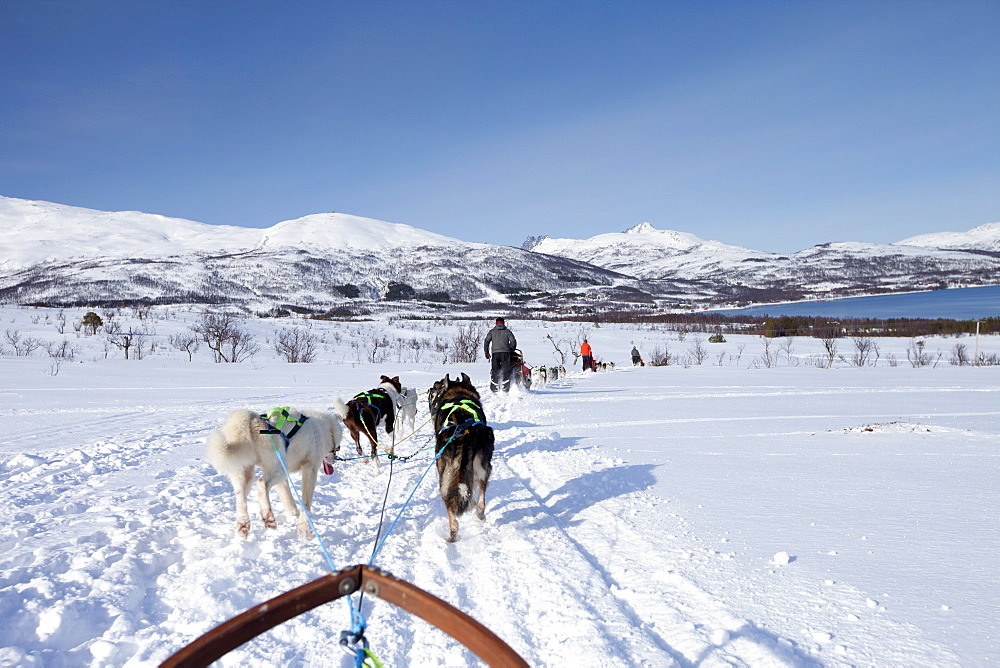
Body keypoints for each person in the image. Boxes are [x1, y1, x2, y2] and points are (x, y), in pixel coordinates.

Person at [483, 317, 517, 392]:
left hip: (495, 354)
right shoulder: (508, 332)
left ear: (496, 323)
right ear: (503, 323)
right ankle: (505, 388)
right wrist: (511, 349)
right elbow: (513, 341)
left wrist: (486, 353)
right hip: (505, 353)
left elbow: (486, 342)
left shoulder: (491, 332)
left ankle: (494, 388)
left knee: (495, 370)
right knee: (506, 370)